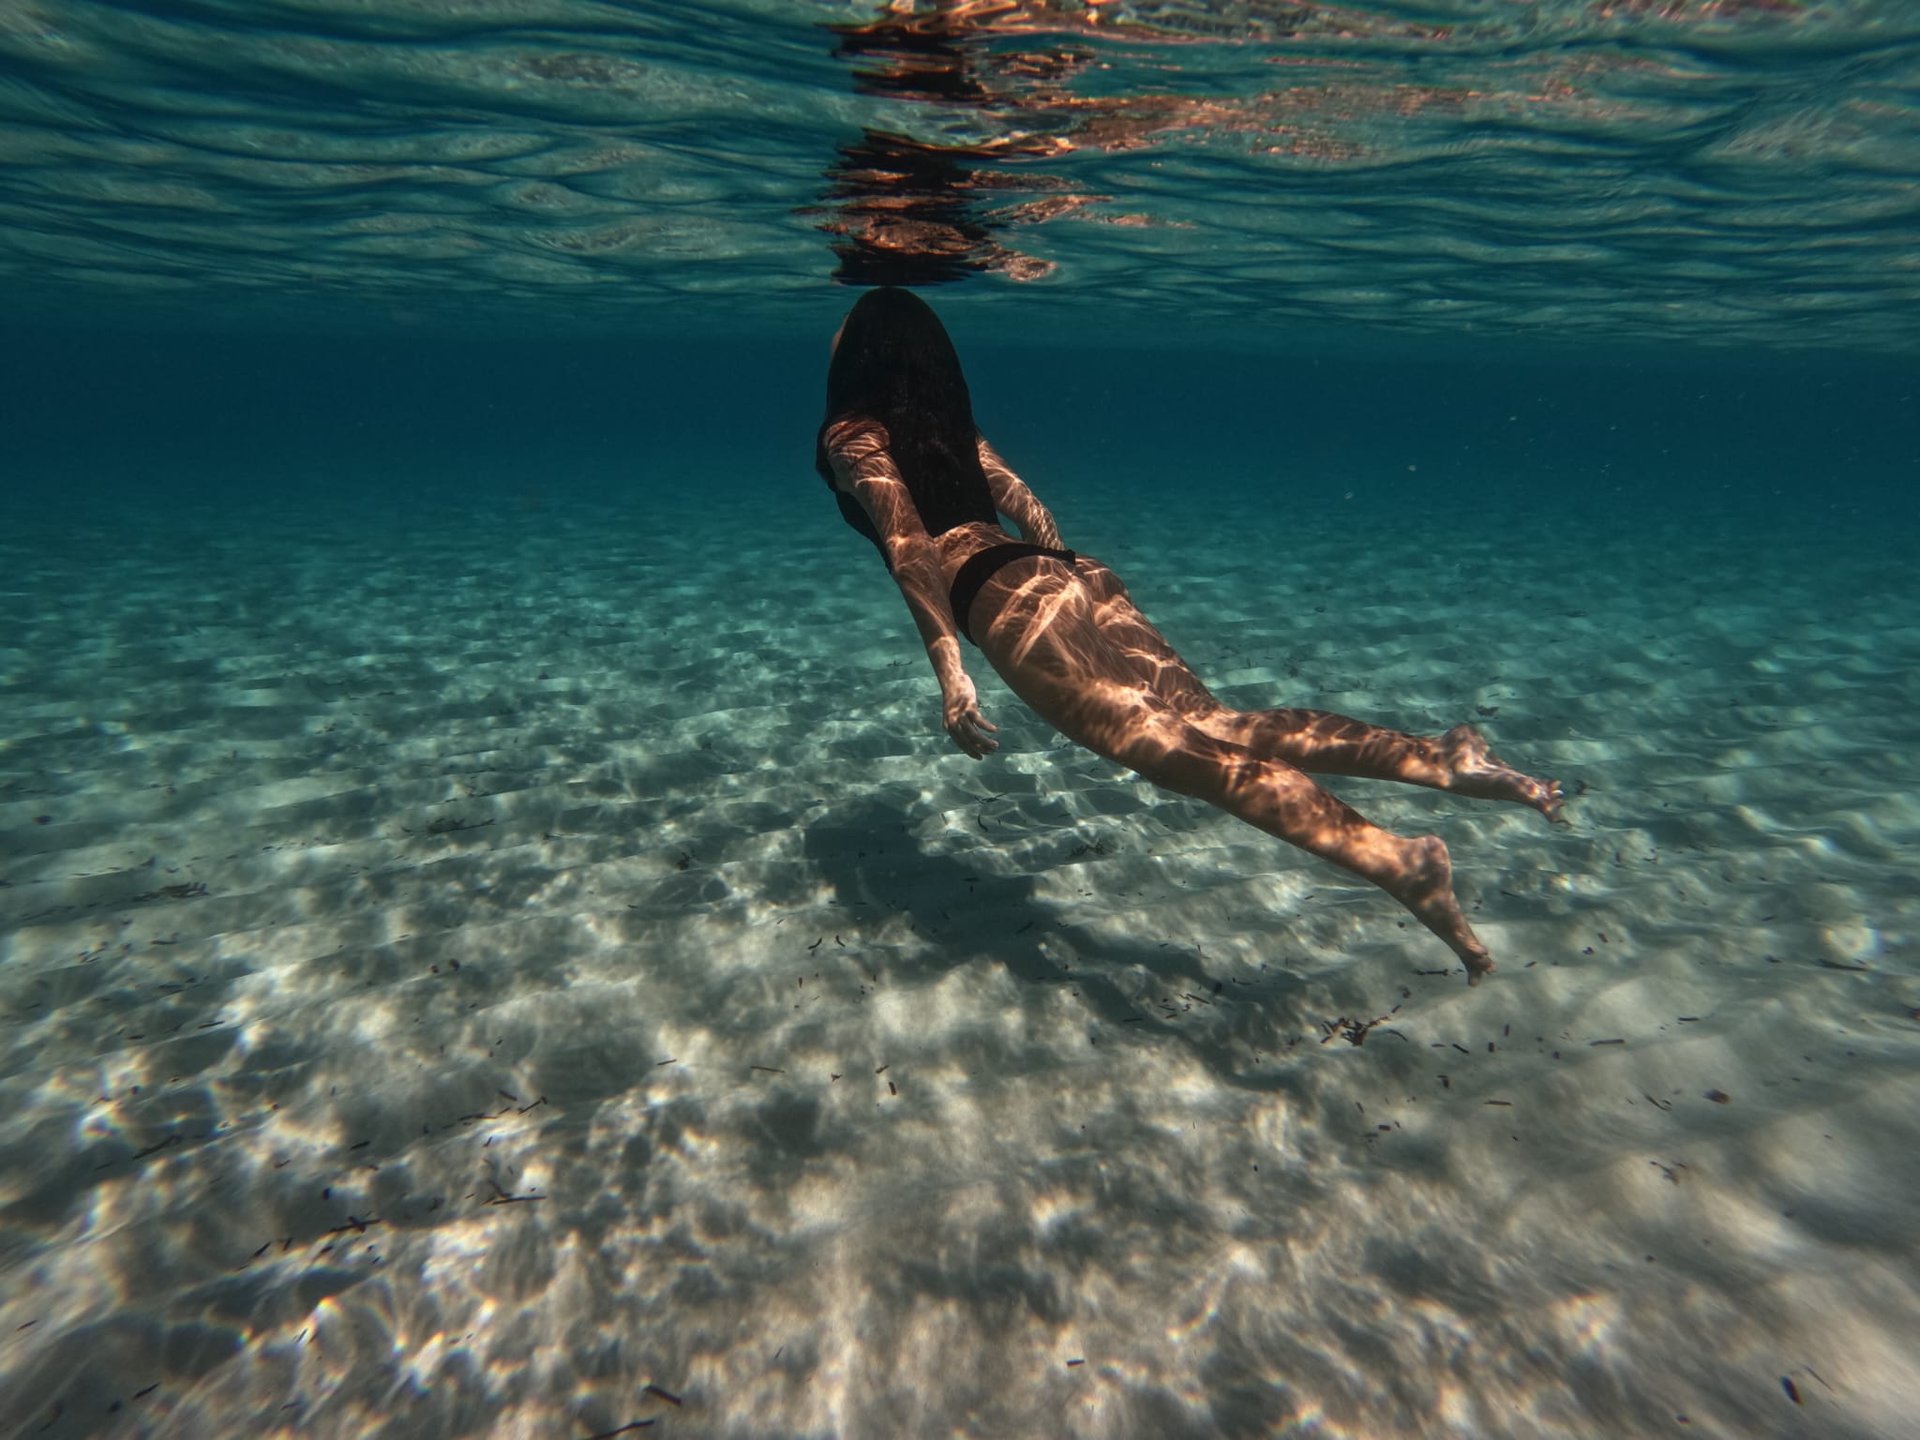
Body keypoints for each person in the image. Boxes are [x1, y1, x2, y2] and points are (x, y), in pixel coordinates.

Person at [815, 287, 1564, 983]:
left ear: (863, 354)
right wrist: (1065, 576)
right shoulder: (948, 422)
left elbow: (910, 544)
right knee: (1216, 724)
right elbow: (1030, 509)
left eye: (844, 329)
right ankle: (1439, 757)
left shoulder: (852, 437)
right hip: (1065, 574)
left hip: (995, 595)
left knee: (1181, 757)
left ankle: (1399, 860)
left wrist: (952, 670)